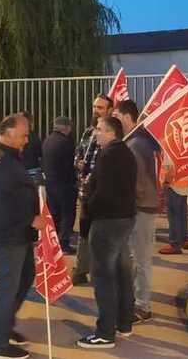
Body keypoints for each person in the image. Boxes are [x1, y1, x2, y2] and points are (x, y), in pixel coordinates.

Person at [0, 113, 43, 359]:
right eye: (23, 135)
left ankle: (5, 326)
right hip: (9, 235)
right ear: (7, 134)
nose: (26, 140)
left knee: (26, 276)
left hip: (19, 233)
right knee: (7, 287)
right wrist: (29, 219)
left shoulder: (8, 156)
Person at [77, 116, 137, 349]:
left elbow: (102, 193)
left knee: (103, 277)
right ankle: (124, 324)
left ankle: (105, 333)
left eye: (100, 130)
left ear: (112, 132)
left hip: (107, 222)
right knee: (122, 273)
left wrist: (88, 209)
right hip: (124, 219)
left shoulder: (109, 156)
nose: (95, 134)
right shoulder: (125, 153)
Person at [113, 100, 160, 323]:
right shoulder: (136, 141)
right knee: (137, 257)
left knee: (141, 259)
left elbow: (138, 183)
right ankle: (137, 301)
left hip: (142, 208)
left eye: (117, 115)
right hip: (142, 206)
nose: (115, 120)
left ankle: (143, 306)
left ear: (127, 116)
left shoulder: (136, 144)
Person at [73, 94, 114, 284]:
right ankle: (80, 269)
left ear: (109, 111)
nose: (95, 110)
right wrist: (78, 163)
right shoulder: (87, 132)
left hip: (101, 194)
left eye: (100, 108)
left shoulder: (112, 135)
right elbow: (78, 154)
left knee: (100, 235)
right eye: (94, 106)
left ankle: (101, 273)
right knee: (84, 232)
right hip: (85, 193)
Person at [42, 116, 77, 254]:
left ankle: (53, 243)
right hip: (65, 184)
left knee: (54, 215)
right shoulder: (66, 142)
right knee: (67, 214)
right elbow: (69, 165)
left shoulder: (47, 140)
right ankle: (64, 243)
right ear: (66, 128)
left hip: (51, 183)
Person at [159, 159, 188, 255]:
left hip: (173, 186)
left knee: (173, 216)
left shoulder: (171, 149)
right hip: (184, 184)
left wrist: (166, 182)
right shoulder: (184, 151)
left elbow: (170, 168)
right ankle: (184, 239)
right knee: (182, 214)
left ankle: (175, 244)